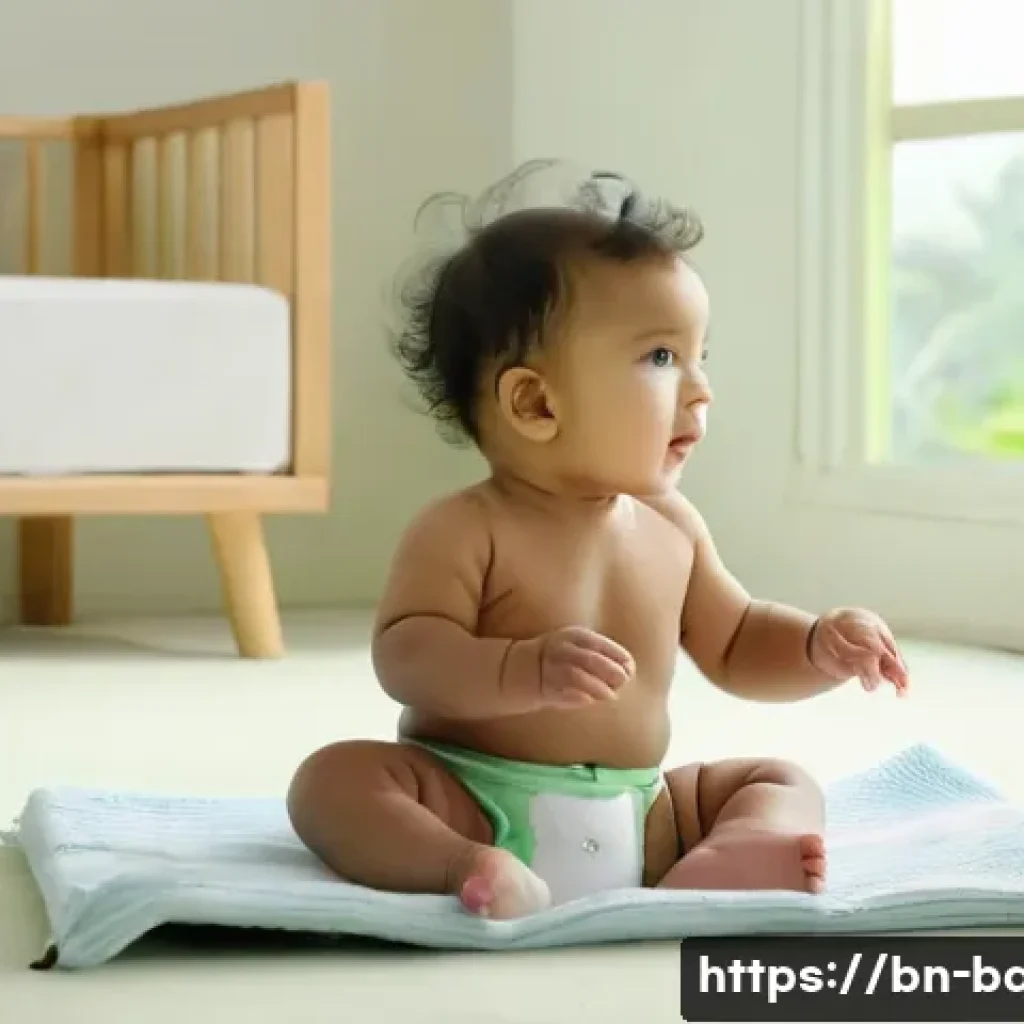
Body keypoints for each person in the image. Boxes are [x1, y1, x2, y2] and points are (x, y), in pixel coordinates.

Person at [286, 161, 910, 920]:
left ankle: (720, 858)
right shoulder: (465, 526)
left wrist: (816, 645)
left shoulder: (672, 529)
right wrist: (521, 670)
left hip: (643, 812)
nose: (701, 388)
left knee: (781, 782)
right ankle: (461, 867)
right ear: (535, 401)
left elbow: (738, 639)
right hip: (471, 794)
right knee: (332, 782)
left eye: (699, 356)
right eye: (660, 358)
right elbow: (408, 655)